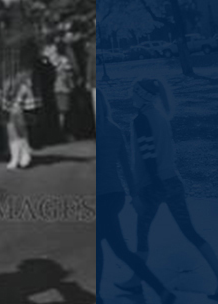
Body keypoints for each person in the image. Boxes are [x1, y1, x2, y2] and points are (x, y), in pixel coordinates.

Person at [115, 78, 218, 298]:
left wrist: (141, 191)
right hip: (173, 181)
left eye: (133, 93)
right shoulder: (162, 117)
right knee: (190, 232)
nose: (130, 97)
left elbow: (148, 156)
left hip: (153, 186)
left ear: (142, 97)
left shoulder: (140, 120)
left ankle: (135, 280)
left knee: (142, 234)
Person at [95, 90, 177, 304]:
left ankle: (162, 291)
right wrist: (133, 197)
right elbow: (127, 168)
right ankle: (97, 295)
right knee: (102, 245)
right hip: (116, 196)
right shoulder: (114, 129)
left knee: (117, 249)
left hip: (99, 198)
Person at [0, 0, 42, 170]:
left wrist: (24, 76)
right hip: (4, 73)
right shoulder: (5, 23)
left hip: (19, 74)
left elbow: (29, 50)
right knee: (7, 115)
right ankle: (15, 153)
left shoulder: (23, 24)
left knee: (15, 113)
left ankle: (23, 151)